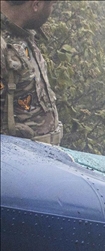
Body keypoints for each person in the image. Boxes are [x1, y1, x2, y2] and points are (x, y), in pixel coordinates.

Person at [1, 0, 61, 144]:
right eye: (52, 5)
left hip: (40, 157)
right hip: (14, 160)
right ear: (36, 5)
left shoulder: (21, 33)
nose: (52, 10)